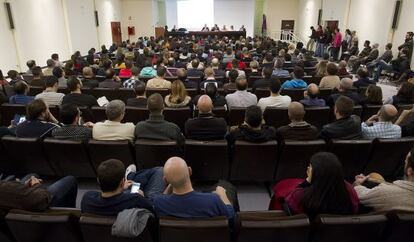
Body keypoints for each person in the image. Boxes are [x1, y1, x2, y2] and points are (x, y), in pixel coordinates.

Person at [154, 157, 236, 225]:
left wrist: (172, 181)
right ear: (190, 171)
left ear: (165, 180)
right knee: (225, 184)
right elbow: (231, 215)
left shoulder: (159, 202)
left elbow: (163, 196)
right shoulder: (213, 200)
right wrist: (222, 194)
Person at [284, 152, 359, 217]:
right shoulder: (350, 191)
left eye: (310, 166)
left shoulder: (300, 196)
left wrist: (306, 182)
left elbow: (289, 200)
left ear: (315, 173)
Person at [81, 159, 165, 216]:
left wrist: (121, 189)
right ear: (122, 182)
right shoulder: (136, 199)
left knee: (133, 186)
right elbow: (153, 210)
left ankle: (130, 177)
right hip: (142, 205)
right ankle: (130, 176)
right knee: (160, 171)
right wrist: (142, 196)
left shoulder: (87, 199)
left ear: (98, 181)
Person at [0, 175, 78, 210]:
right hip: (37, 209)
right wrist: (36, 185)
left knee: (33, 175)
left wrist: (21, 186)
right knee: (70, 180)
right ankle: (67, 217)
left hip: (13, 201)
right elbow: (41, 199)